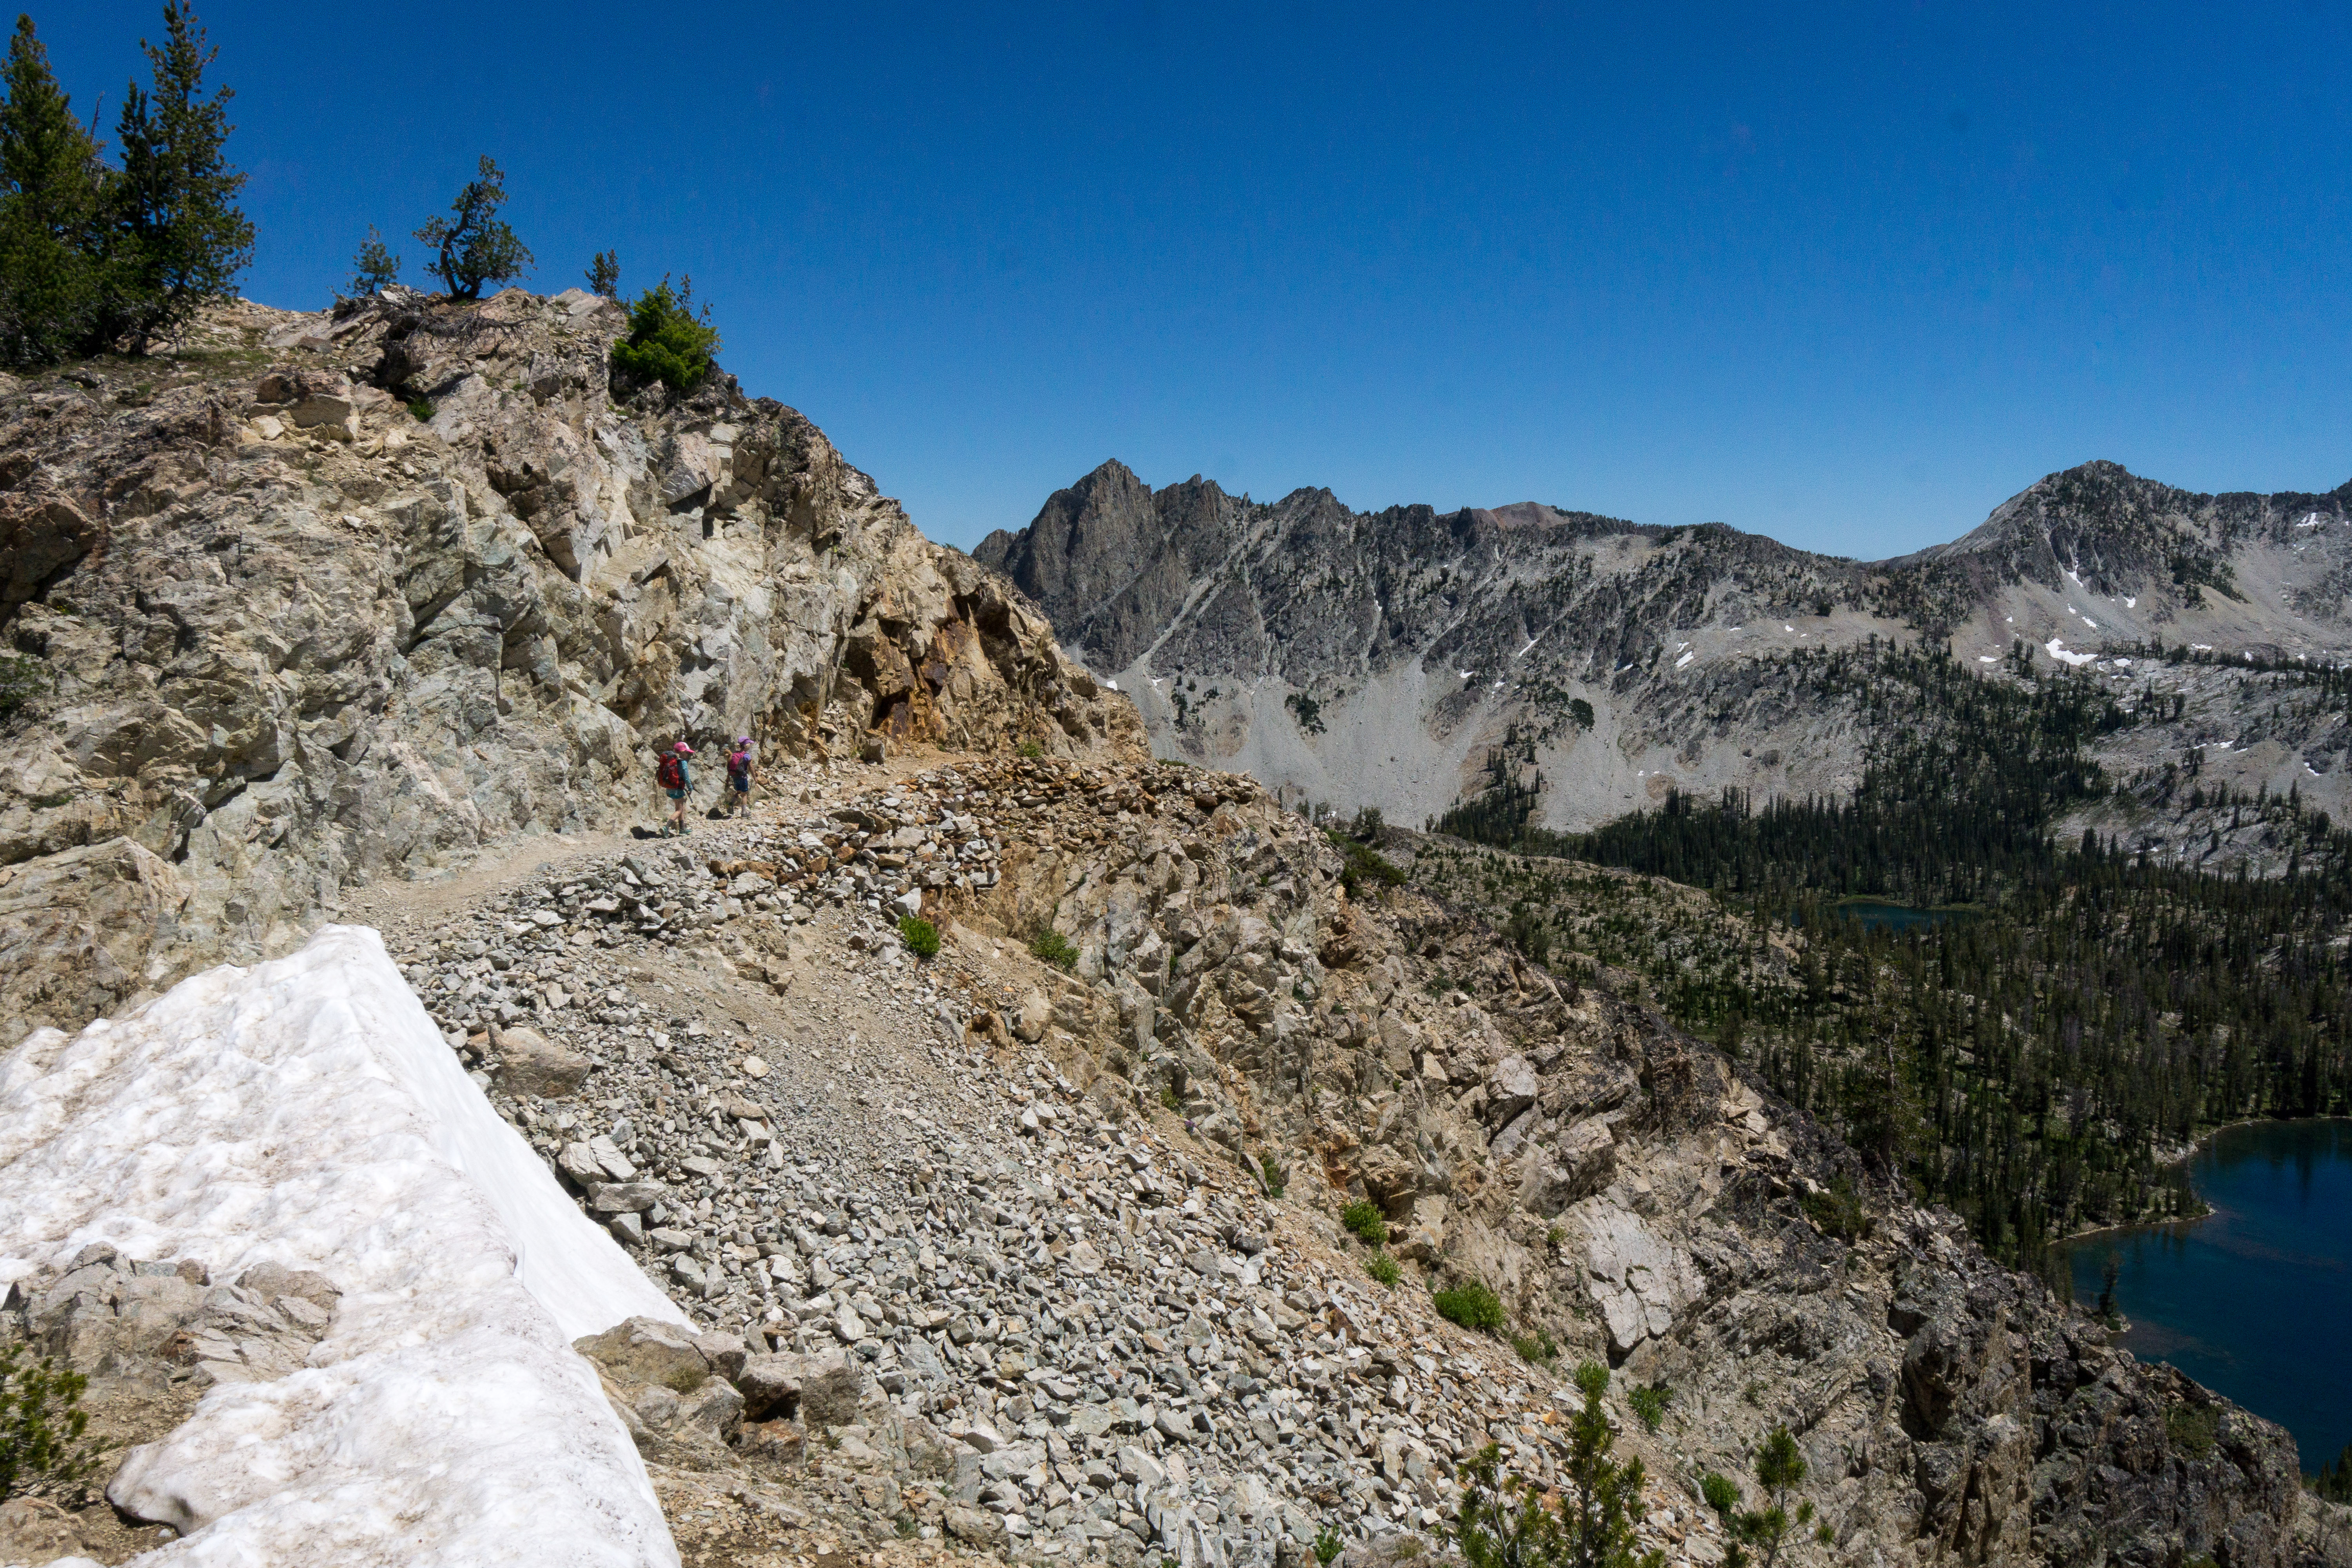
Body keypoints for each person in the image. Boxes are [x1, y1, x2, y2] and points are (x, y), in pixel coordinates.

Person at [656, 741, 694, 835]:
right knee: (679, 810)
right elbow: (686, 777)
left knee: (680, 808)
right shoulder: (683, 763)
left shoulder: (672, 762)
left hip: (670, 788)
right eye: (687, 752)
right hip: (678, 789)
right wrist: (690, 787)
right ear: (682, 752)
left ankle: (683, 829)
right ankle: (666, 827)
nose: (688, 754)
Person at [725, 737, 755, 817]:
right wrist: (755, 778)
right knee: (745, 794)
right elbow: (751, 768)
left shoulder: (735, 755)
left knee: (738, 792)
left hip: (734, 777)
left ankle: (730, 805)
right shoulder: (747, 756)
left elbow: (730, 767)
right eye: (749, 744)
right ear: (746, 746)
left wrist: (728, 778)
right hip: (743, 777)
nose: (750, 746)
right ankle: (744, 813)